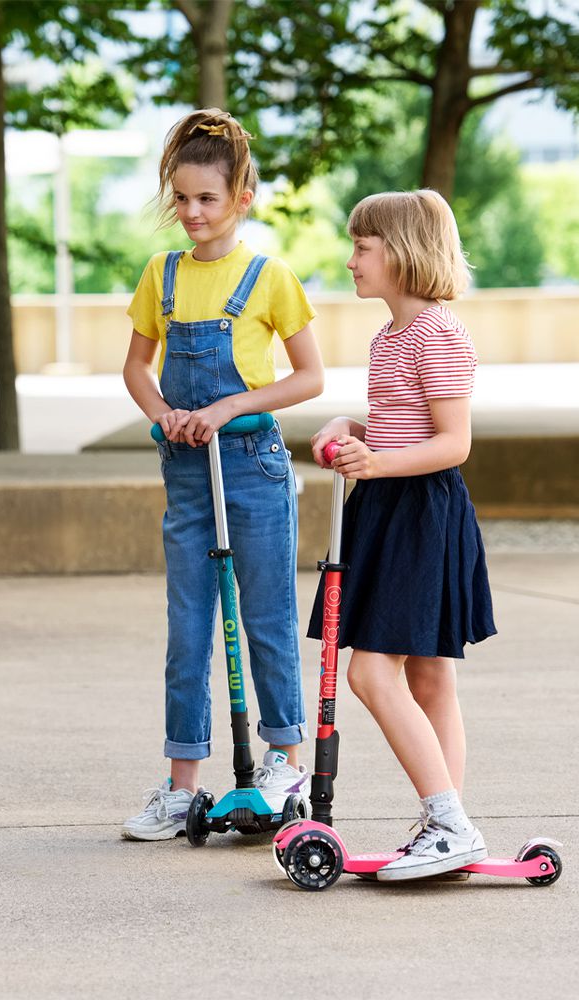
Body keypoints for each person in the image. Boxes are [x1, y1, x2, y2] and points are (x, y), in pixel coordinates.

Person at [121, 109, 324, 840]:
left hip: (251, 466)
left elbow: (309, 377)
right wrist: (164, 413)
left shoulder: (269, 278)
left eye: (207, 198)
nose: (192, 212)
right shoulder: (162, 274)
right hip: (186, 471)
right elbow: (136, 368)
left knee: (266, 619)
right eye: (181, 198)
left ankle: (284, 763)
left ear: (242, 198)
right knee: (188, 632)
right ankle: (182, 788)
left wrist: (230, 405)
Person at [308, 189, 497, 881]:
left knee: (369, 672)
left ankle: (449, 823)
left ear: (403, 253)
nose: (351, 260)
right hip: (391, 506)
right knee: (429, 676)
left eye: (363, 247)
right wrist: (350, 428)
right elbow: (399, 425)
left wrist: (377, 463)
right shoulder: (390, 336)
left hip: (420, 513)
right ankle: (450, 826)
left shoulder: (436, 334)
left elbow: (454, 442)